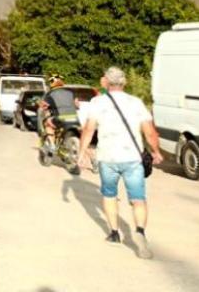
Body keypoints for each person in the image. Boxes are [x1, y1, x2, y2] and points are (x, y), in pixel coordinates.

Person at [77, 66, 163, 259]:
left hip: (108, 157)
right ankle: (140, 232)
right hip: (132, 158)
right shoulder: (136, 103)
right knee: (138, 198)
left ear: (106, 82)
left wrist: (82, 152)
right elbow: (149, 132)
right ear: (124, 83)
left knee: (109, 195)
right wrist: (156, 152)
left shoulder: (97, 103)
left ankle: (114, 233)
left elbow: (89, 129)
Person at [39, 74, 77, 149]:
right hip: (74, 117)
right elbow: (77, 104)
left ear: (51, 84)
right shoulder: (70, 92)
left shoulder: (50, 94)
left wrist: (43, 106)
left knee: (48, 123)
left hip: (60, 117)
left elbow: (44, 106)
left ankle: (52, 146)